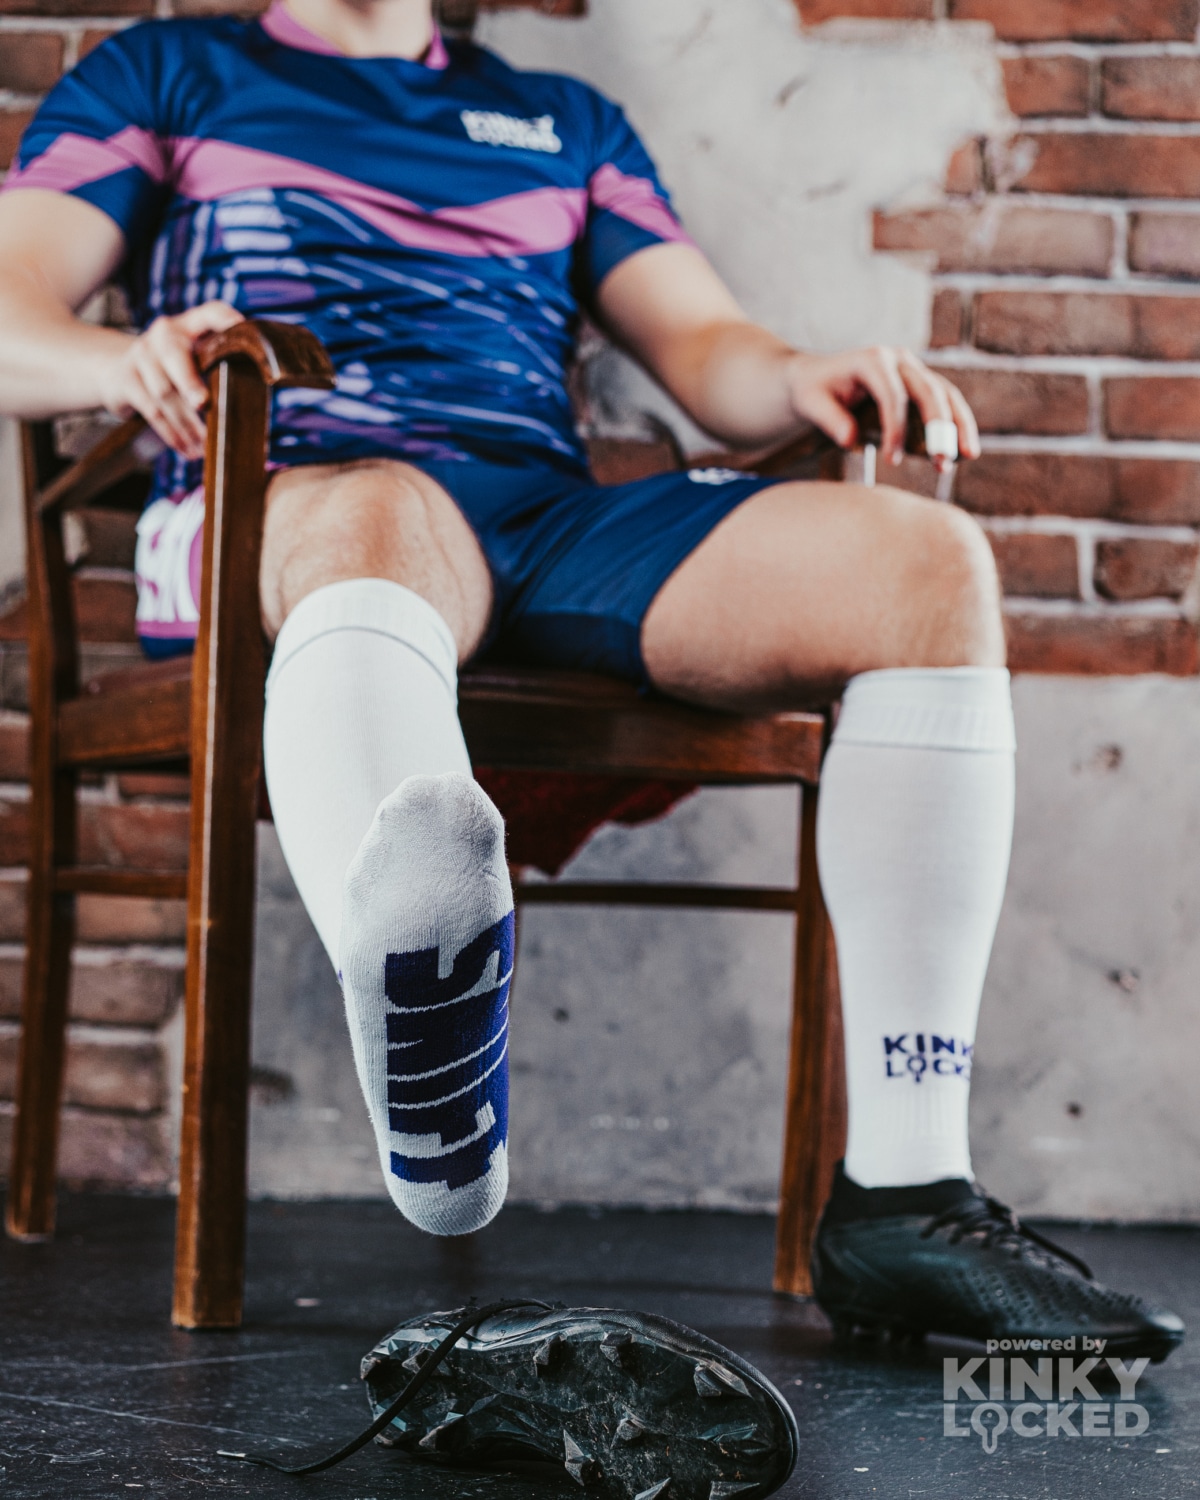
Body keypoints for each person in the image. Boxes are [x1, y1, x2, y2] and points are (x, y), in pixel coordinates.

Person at [0, 0, 1182, 1360]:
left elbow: (708, 356)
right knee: (376, 510)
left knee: (925, 564)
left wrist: (801, 371)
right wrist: (122, 358)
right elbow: (11, 308)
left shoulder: (565, 124)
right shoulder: (166, 73)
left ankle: (908, 1200)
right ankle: (420, 968)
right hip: (291, 498)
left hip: (534, 518)